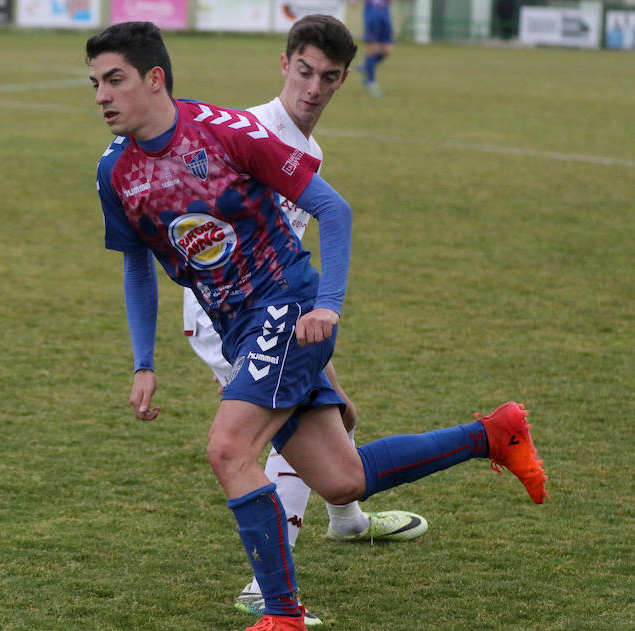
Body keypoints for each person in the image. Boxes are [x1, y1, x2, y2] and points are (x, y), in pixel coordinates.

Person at [87, 21, 546, 631]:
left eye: (113, 80)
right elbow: (137, 267)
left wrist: (328, 304)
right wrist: (143, 362)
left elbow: (333, 208)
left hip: (287, 305)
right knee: (340, 477)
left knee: (229, 449)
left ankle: (281, 612)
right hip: (236, 326)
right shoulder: (115, 171)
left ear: (154, 79)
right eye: (94, 83)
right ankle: (493, 433)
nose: (100, 96)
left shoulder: (227, 134)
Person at [179, 14, 427, 626]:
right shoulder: (248, 133)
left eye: (329, 77)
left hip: (279, 308)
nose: (313, 88)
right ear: (284, 64)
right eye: (305, 71)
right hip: (227, 318)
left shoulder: (309, 150)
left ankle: (346, 520)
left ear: (342, 81)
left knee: (339, 412)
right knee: (287, 429)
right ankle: (267, 584)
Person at [356, 0, 394, 97]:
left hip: (385, 14)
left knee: (388, 50)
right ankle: (372, 85)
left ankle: (366, 66)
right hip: (372, 15)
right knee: (372, 50)